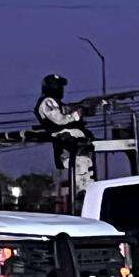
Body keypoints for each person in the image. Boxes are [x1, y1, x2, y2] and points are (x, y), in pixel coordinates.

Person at [34, 74, 97, 202]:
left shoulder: (56, 103)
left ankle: (87, 192)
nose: (61, 89)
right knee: (79, 167)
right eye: (59, 86)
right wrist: (76, 114)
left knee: (85, 166)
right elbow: (59, 120)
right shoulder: (47, 102)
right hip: (65, 141)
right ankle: (82, 193)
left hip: (74, 142)